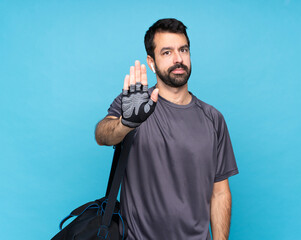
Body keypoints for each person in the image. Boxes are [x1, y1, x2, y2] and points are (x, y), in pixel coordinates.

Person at [95, 18, 238, 240]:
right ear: (151, 62)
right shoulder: (137, 105)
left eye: (183, 50)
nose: (179, 59)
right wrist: (126, 124)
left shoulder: (213, 118)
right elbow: (102, 135)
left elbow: (220, 193)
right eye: (167, 52)